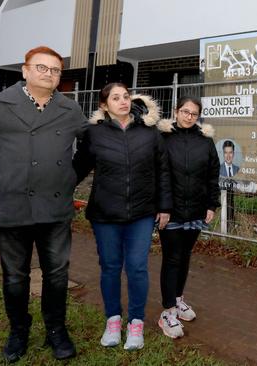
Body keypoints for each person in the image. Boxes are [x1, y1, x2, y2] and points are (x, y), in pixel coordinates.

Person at [0, 46, 86, 362]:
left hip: (54, 208)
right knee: (15, 276)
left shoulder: (70, 109)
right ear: (25, 70)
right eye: (42, 67)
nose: (49, 74)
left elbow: (95, 144)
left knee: (56, 274)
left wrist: (70, 177)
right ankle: (19, 329)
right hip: (11, 206)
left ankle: (56, 329)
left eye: (55, 70)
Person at [72, 83, 171, 350]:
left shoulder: (149, 133)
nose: (123, 101)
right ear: (104, 105)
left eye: (126, 96)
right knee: (111, 267)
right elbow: (77, 168)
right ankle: (113, 321)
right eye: (115, 98)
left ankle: (135, 323)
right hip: (105, 214)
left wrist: (165, 206)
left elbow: (163, 171)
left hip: (141, 212)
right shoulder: (94, 134)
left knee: (137, 267)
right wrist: (57, 193)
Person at [156, 97, 220, 338]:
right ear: (176, 111)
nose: (189, 116)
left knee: (184, 257)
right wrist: (161, 206)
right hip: (170, 211)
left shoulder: (205, 141)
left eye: (194, 113)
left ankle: (179, 300)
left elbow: (213, 174)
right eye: (185, 111)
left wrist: (212, 204)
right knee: (172, 259)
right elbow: (157, 174)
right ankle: (168, 312)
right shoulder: (163, 138)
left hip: (196, 211)